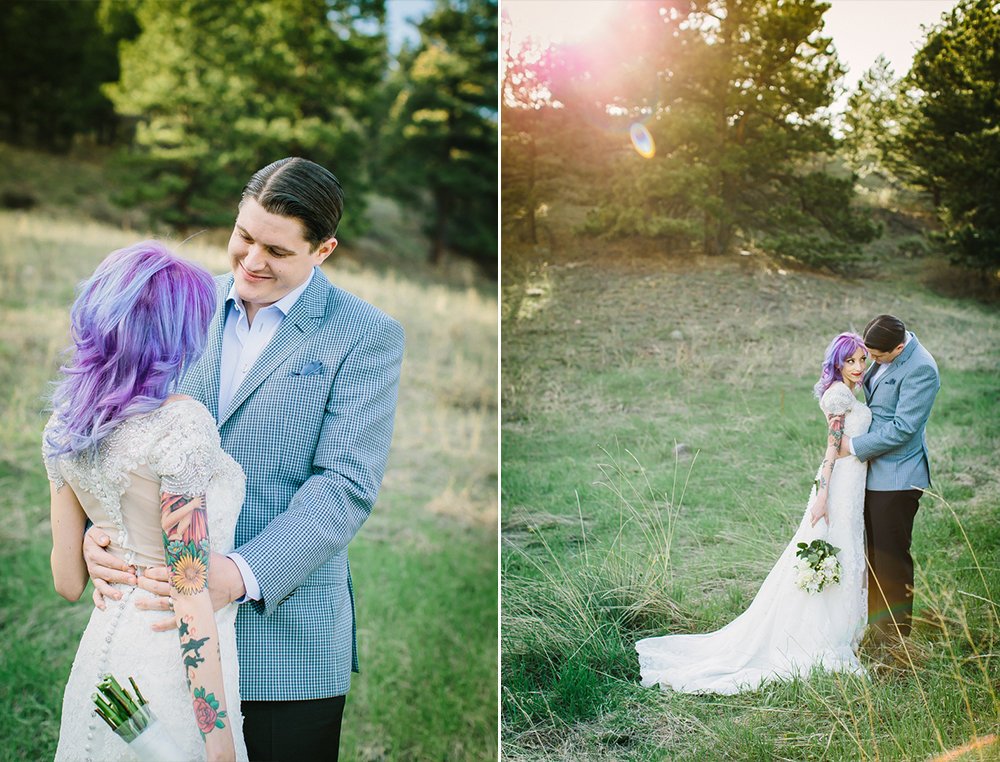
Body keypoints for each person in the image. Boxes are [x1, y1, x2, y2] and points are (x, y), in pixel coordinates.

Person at [82, 157, 405, 761]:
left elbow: (345, 485)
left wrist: (227, 579)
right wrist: (98, 531)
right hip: (158, 628)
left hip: (285, 633)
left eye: (277, 251)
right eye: (244, 237)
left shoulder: (366, 335)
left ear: (324, 249)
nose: (252, 261)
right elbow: (113, 423)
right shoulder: (180, 302)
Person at [44, 241, 246, 761]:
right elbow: (190, 592)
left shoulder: (66, 426)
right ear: (177, 335)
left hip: (103, 654)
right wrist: (220, 745)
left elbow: (68, 582)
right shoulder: (181, 424)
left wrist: (99, 536)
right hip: (168, 664)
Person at [635, 332, 871, 694]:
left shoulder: (853, 392)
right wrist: (822, 496)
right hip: (838, 486)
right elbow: (832, 448)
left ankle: (846, 631)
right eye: (850, 361)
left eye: (861, 360)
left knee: (849, 551)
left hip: (855, 485)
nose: (857, 367)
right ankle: (819, 636)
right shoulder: (838, 394)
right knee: (833, 550)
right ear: (837, 363)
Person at [842, 314, 939, 643]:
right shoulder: (884, 349)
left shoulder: (922, 369)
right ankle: (874, 628)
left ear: (899, 347)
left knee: (890, 560)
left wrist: (853, 445)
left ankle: (894, 642)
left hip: (897, 477)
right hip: (872, 472)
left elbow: (903, 428)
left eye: (877, 357)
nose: (872, 362)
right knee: (870, 555)